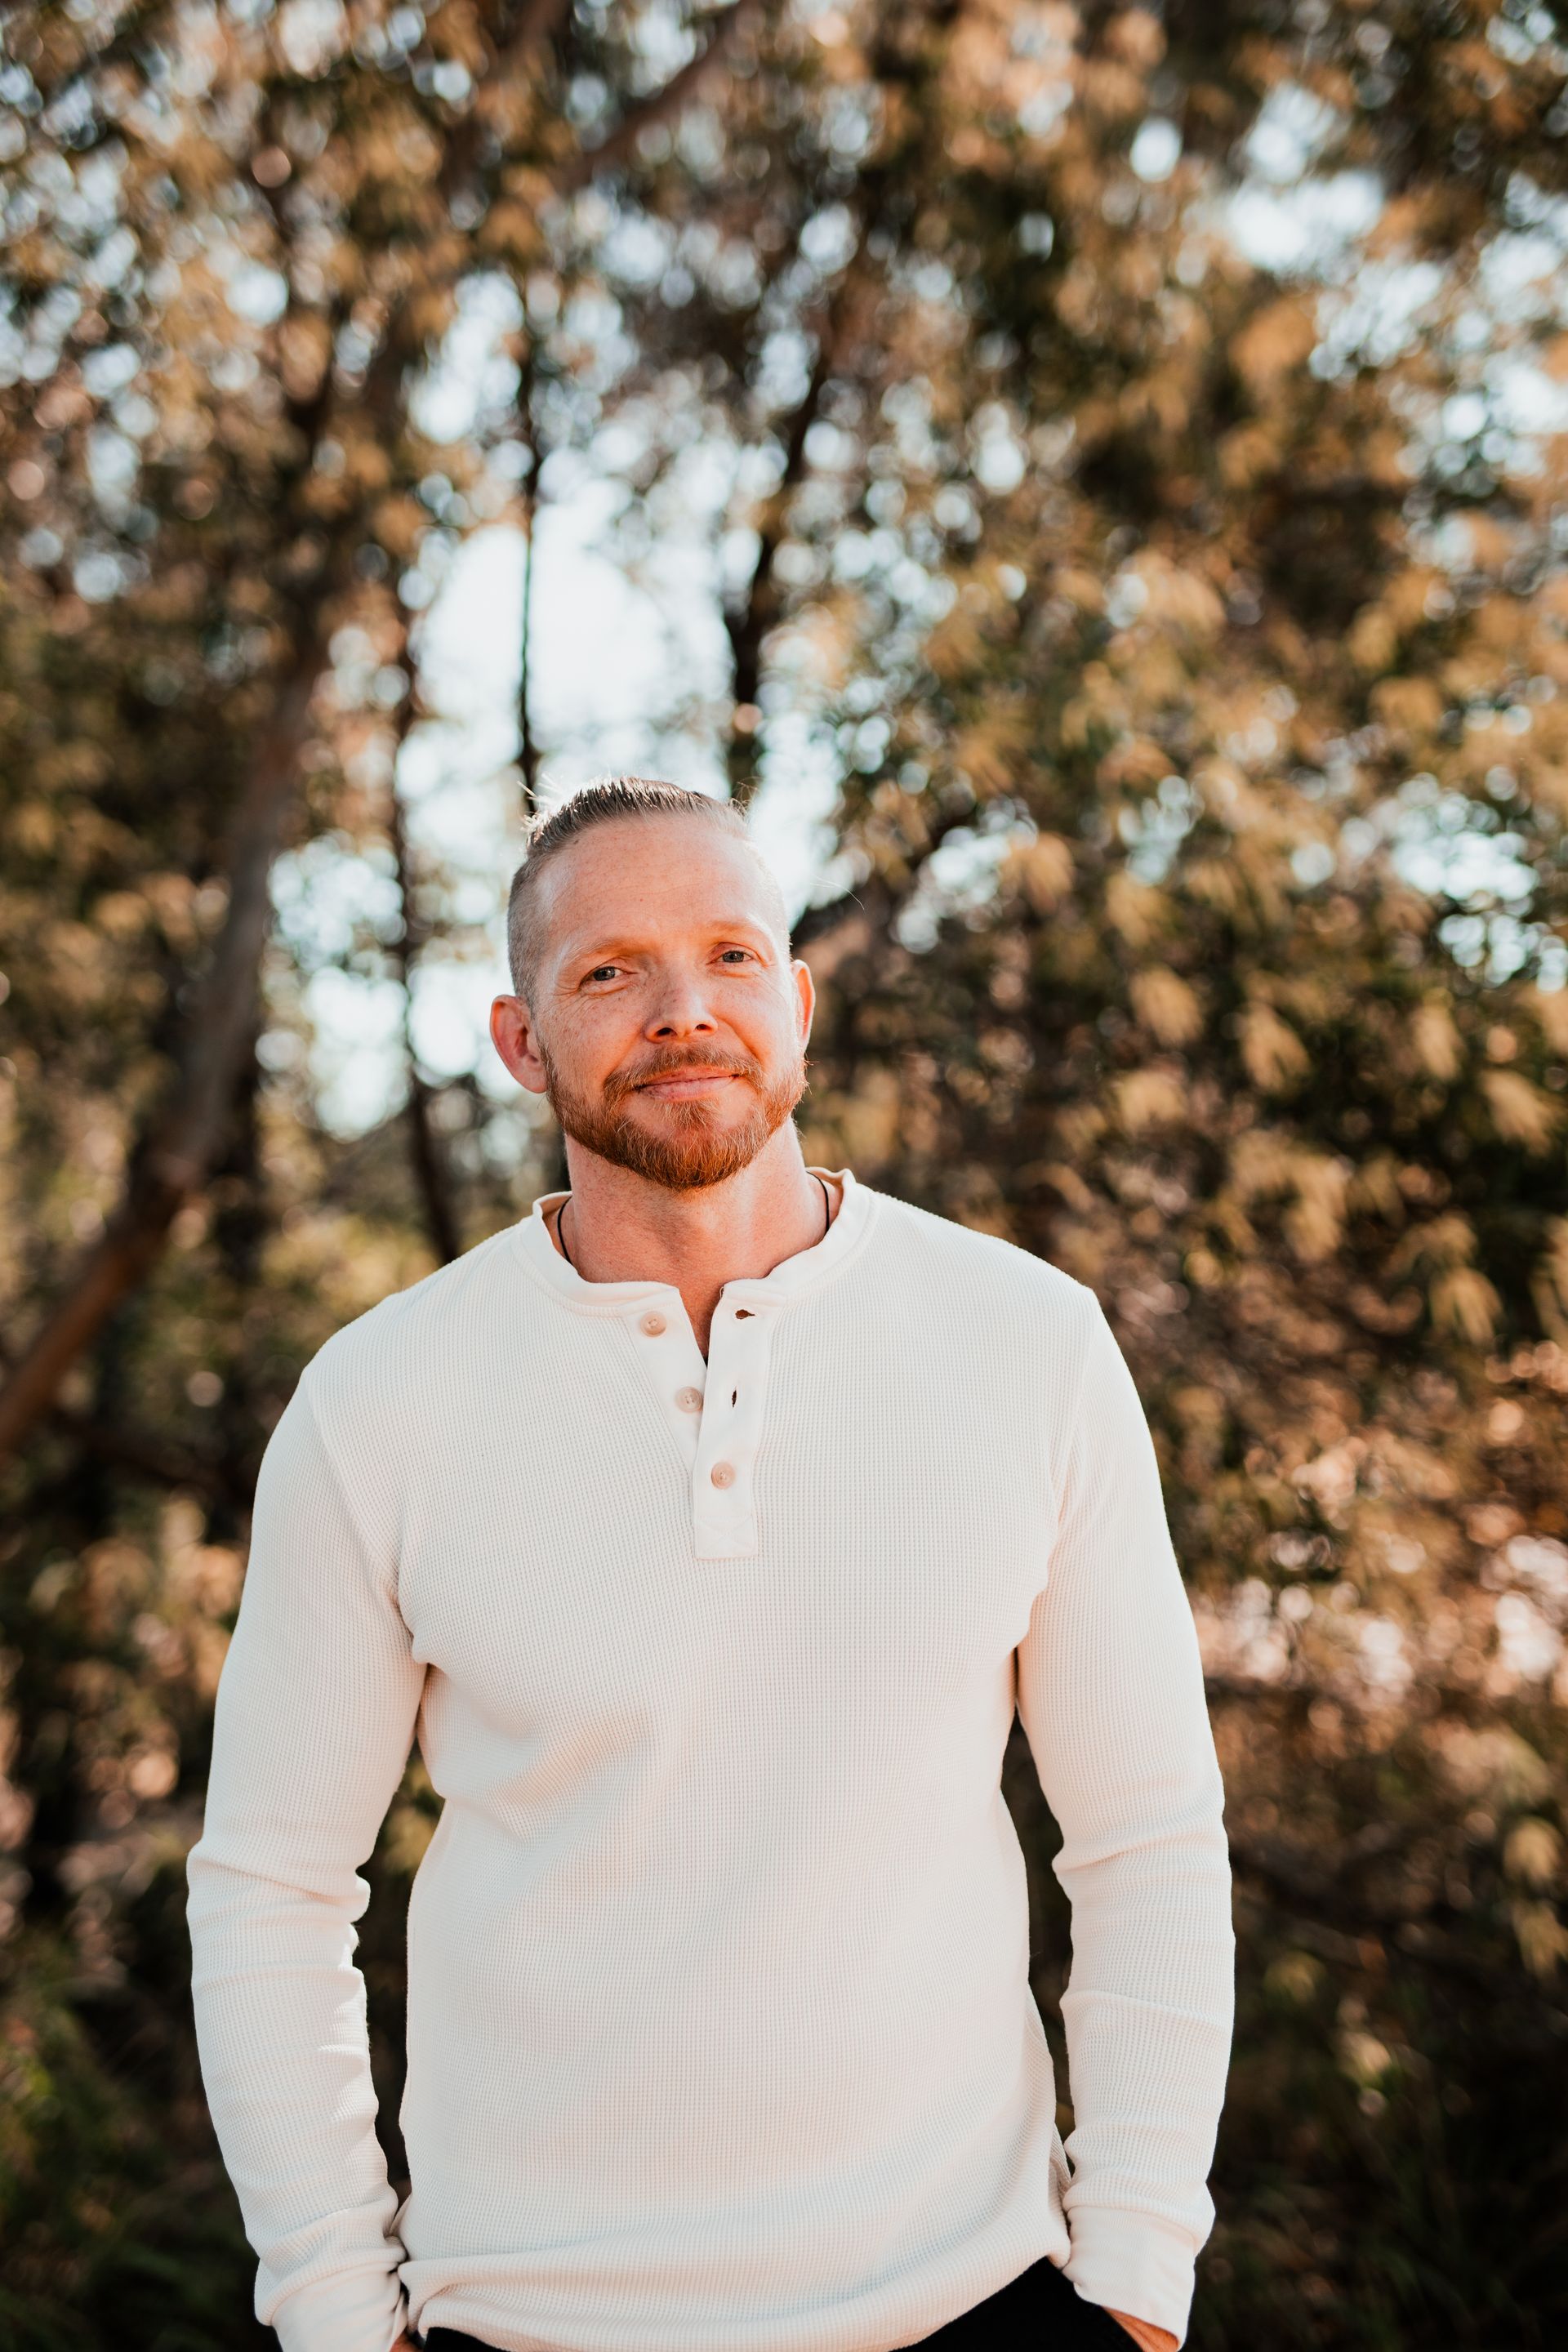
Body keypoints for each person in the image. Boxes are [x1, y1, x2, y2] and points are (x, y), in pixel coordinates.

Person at [186, 776, 1235, 2352]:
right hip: (527, 2321)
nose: (686, 1011)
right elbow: (270, 1890)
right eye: (610, 972)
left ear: (801, 1006)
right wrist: (338, 2313)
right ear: (522, 1040)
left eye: (732, 956)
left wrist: (1139, 2286)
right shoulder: (381, 1400)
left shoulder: (1027, 1345)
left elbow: (1148, 1839)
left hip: (974, 2303)